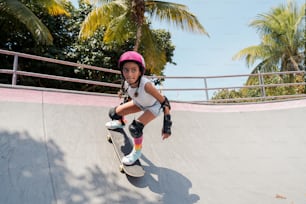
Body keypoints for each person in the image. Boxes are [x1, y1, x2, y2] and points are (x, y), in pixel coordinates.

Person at [105, 51, 172, 165]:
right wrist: (122, 110)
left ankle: (137, 152)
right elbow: (130, 95)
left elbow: (165, 103)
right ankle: (121, 122)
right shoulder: (126, 83)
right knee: (113, 113)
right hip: (139, 103)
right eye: (126, 70)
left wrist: (167, 126)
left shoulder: (147, 86)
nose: (130, 74)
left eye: (134, 70)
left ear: (140, 71)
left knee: (135, 128)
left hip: (154, 106)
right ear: (122, 71)